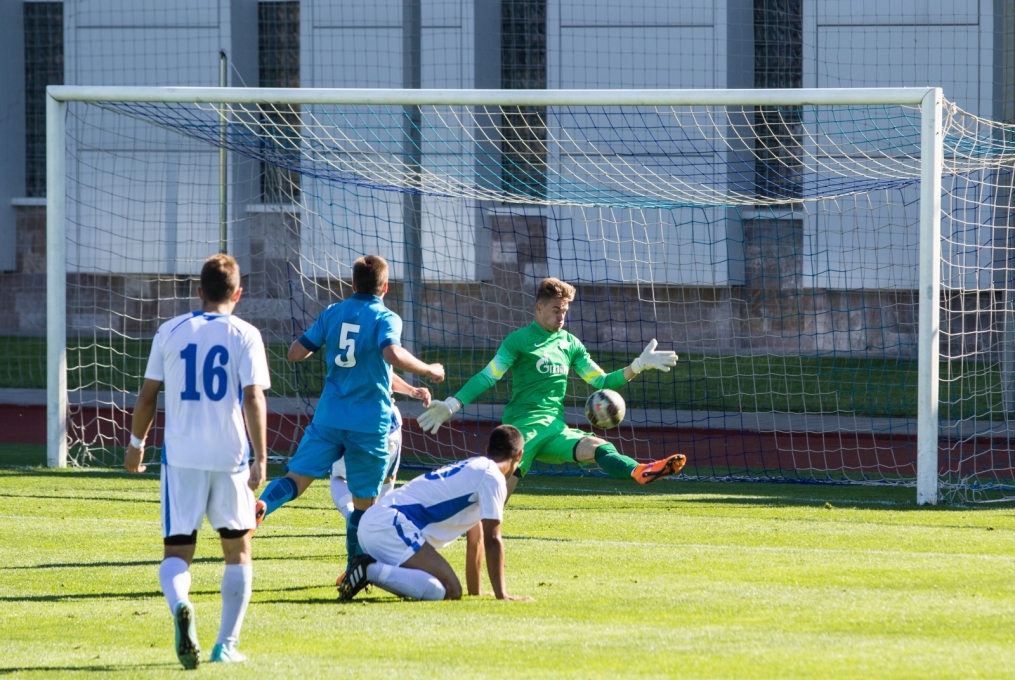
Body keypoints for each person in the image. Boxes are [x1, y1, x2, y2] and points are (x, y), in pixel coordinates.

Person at [124, 254, 270, 668]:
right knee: (238, 552)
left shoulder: (170, 331)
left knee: (176, 553)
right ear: (238, 294)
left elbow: (148, 396)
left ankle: (181, 606)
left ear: (198, 291)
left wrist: (136, 445)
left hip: (182, 458)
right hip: (230, 456)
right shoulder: (246, 333)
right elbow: (253, 397)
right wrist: (261, 457)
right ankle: (226, 645)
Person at [255, 255, 444, 575]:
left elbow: (295, 353)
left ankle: (260, 506)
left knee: (295, 480)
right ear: (385, 287)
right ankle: (354, 571)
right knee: (364, 507)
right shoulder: (386, 317)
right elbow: (391, 353)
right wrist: (429, 369)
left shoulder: (333, 313)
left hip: (328, 418)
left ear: (353, 284)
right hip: (367, 424)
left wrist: (323, 345)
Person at [418, 276, 685, 490]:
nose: (561, 317)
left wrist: (638, 365)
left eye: (565, 311)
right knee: (490, 508)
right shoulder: (518, 341)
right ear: (539, 308)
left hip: (555, 429)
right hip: (522, 430)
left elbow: (601, 381)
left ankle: (639, 471)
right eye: (556, 310)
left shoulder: (570, 344)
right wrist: (452, 405)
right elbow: (488, 377)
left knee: (599, 447)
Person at [341, 424, 532, 602]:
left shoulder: (477, 469)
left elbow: (477, 539)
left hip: (379, 523)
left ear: (488, 448)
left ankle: (372, 569)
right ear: (519, 455)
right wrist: (503, 595)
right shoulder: (493, 478)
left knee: (439, 590)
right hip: (391, 525)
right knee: (451, 590)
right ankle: (369, 571)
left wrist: (476, 593)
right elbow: (493, 539)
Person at [329, 374, 429, 522]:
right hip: (383, 417)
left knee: (339, 476)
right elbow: (385, 369)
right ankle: (377, 522)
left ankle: (352, 517)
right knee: (386, 477)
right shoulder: (380, 350)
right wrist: (412, 388)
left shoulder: (335, 350)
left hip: (345, 414)